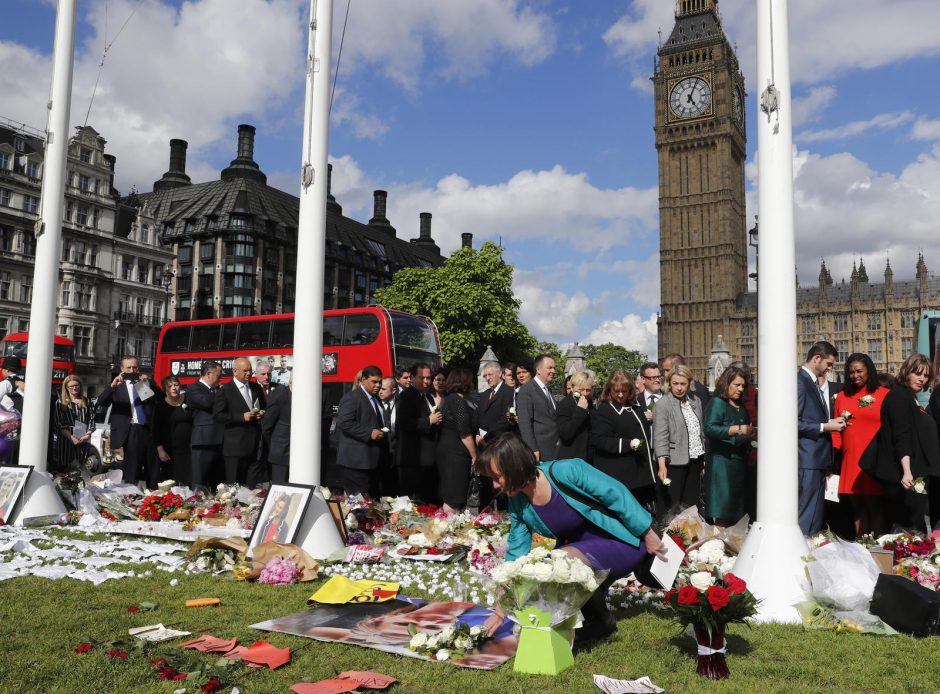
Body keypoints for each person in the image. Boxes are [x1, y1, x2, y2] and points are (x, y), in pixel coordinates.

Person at [476, 434, 667, 645]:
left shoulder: (567, 471)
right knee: (547, 564)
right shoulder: (518, 503)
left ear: (514, 466)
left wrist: (649, 534)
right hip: (584, 552)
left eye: (497, 477)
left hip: (622, 540)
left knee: (559, 560)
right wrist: (501, 609)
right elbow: (516, 553)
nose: (494, 485)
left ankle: (599, 620)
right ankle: (597, 619)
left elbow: (615, 494)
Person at [869, 354, 940, 530]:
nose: (922, 379)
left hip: (917, 473)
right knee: (907, 528)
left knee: (915, 527)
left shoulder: (910, 398)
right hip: (907, 476)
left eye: (925, 375)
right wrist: (907, 471)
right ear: (906, 372)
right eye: (917, 373)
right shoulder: (899, 397)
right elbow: (901, 436)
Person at [830, 353, 888, 537]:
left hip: (874, 461)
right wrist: (832, 456)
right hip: (851, 459)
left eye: (859, 371)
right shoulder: (841, 397)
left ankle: (879, 552)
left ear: (869, 371)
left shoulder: (884, 395)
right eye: (851, 372)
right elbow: (837, 430)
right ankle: (861, 549)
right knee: (858, 509)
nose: (855, 375)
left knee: (876, 507)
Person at [797, 341, 847, 536]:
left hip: (817, 460)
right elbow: (793, 422)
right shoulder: (800, 382)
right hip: (807, 458)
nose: (829, 369)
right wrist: (826, 426)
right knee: (806, 514)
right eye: (828, 364)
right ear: (816, 358)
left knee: (815, 516)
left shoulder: (811, 382)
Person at [591, 370, 657, 513]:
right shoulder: (605, 409)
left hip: (641, 473)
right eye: (616, 391)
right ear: (609, 390)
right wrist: (627, 444)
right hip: (621, 475)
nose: (620, 395)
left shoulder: (638, 406)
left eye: (624, 391)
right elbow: (599, 440)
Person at [96, 355, 161, 487]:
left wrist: (148, 383)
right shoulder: (117, 387)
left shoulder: (144, 385)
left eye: (135, 367)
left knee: (152, 466)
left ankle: (153, 494)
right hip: (129, 430)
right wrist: (112, 386)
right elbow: (101, 402)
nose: (132, 370)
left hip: (147, 429)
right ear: (122, 369)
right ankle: (130, 493)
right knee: (131, 469)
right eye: (128, 368)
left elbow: (161, 398)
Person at [703, 365, 755, 527]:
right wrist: (738, 429)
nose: (740, 389)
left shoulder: (743, 408)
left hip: (739, 464)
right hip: (722, 465)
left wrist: (751, 435)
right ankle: (717, 549)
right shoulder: (718, 402)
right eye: (736, 385)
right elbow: (709, 428)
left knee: (737, 513)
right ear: (726, 384)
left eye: (743, 386)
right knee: (722, 511)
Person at [653, 363, 706, 510]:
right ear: (669, 383)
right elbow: (660, 437)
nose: (679, 388)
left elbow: (700, 430)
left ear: (689, 383)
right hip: (672, 463)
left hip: (695, 461)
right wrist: (662, 465)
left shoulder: (696, 401)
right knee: (672, 507)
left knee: (691, 506)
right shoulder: (663, 404)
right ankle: (667, 533)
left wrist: (704, 457)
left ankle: (689, 533)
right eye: (675, 383)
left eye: (683, 383)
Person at [213, 357, 266, 486]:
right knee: (234, 486)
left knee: (252, 487)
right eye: (245, 371)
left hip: (255, 445)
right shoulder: (224, 391)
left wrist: (262, 413)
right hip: (235, 448)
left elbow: (264, 406)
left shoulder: (256, 388)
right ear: (235, 371)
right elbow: (218, 416)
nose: (248, 374)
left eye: (250, 371)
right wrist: (241, 417)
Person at [336, 366, 387, 496]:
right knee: (360, 505)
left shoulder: (376, 399)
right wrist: (369, 433)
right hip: (355, 463)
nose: (378, 385)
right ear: (363, 380)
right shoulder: (352, 398)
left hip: (373, 461)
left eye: (380, 382)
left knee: (372, 503)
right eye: (374, 382)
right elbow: (344, 422)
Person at [396, 362, 442, 502]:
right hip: (413, 459)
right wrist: (428, 421)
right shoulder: (407, 396)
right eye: (422, 378)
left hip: (427, 459)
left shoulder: (427, 397)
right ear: (413, 378)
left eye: (428, 378)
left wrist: (436, 420)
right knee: (414, 502)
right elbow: (403, 424)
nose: (427, 381)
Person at [435, 368, 477, 512]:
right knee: (453, 499)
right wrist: (474, 455)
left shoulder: (447, 399)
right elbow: (464, 433)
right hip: (456, 456)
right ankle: (450, 532)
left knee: (450, 496)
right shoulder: (458, 402)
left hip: (446, 452)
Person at [187, 361, 224, 490]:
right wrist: (222, 394)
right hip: (203, 441)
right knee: (199, 481)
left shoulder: (216, 390)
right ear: (209, 374)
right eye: (219, 375)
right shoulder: (194, 388)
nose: (221, 378)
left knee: (217, 482)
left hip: (219, 440)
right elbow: (207, 403)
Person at [515, 354, 560, 462]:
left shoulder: (548, 390)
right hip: (540, 451)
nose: (553, 371)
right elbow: (525, 423)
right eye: (550, 368)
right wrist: (532, 448)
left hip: (554, 449)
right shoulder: (526, 390)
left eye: (554, 368)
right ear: (538, 370)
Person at [153, 375, 194, 487]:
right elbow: (156, 430)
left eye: (176, 385)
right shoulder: (160, 406)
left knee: (188, 481)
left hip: (188, 449)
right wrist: (160, 450)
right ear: (165, 389)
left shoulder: (188, 401)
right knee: (171, 481)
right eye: (170, 386)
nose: (173, 388)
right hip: (169, 450)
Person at [53, 375, 94, 472]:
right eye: (71, 386)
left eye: (76, 385)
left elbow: (92, 420)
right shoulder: (60, 403)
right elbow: (59, 423)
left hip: (83, 439)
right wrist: (72, 438)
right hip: (66, 440)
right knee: (65, 469)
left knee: (81, 468)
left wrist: (87, 435)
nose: (74, 388)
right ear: (66, 388)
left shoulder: (87, 401)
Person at [475, 361, 515, 449]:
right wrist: (477, 434)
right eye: (485, 376)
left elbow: (507, 420)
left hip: (500, 444)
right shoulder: (485, 394)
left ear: (500, 374)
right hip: (482, 444)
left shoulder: (509, 393)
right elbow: (478, 416)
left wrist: (487, 438)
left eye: (490, 374)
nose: (487, 378)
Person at [557, 371, 595, 462]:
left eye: (588, 390)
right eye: (581, 390)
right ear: (573, 387)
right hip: (571, 458)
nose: (585, 393)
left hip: (587, 458)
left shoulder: (589, 402)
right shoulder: (564, 405)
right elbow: (565, 434)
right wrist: (580, 411)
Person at [262, 377, 292, 484]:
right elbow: (267, 424)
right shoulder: (281, 393)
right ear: (291, 381)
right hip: (281, 450)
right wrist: (273, 445)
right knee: (280, 487)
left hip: (301, 453)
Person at [377, 376, 399, 496]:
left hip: (397, 453)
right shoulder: (375, 403)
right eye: (380, 388)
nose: (380, 391)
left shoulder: (400, 403)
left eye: (384, 389)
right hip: (381, 453)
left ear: (394, 390)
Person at [637, 361, 664, 425]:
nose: (657, 380)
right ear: (643, 379)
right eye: (653, 377)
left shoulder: (669, 399)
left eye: (659, 377)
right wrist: (641, 417)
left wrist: (656, 417)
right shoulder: (635, 401)